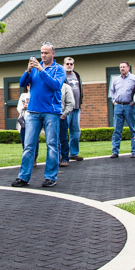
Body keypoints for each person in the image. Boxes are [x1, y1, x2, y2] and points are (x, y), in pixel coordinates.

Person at [13, 42, 65, 188]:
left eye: (46, 53)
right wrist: (28, 71)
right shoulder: (34, 69)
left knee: (52, 145)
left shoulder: (59, 69)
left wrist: (41, 69)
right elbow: (22, 82)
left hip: (51, 112)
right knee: (29, 145)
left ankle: (50, 177)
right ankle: (23, 177)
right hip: (33, 111)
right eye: (42, 53)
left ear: (53, 54)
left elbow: (55, 85)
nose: (43, 55)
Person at [109, 61, 135, 158]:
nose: (122, 69)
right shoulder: (116, 79)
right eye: (121, 67)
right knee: (117, 129)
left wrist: (133, 102)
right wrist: (114, 102)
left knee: (133, 129)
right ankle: (115, 151)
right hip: (118, 106)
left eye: (124, 67)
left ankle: (134, 151)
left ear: (128, 68)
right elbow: (112, 91)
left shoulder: (134, 78)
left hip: (129, 106)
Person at [62, 57, 84, 162]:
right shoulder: (61, 76)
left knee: (75, 132)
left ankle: (74, 153)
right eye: (67, 64)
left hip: (76, 108)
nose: (69, 65)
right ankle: (62, 154)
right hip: (66, 109)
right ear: (63, 65)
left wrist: (80, 103)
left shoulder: (77, 75)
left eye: (71, 64)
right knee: (62, 132)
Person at [58, 81, 75, 167]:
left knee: (63, 139)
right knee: (52, 140)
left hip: (61, 117)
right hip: (50, 117)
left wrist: (64, 114)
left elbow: (71, 103)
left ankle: (65, 158)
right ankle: (56, 158)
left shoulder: (66, 87)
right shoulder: (48, 84)